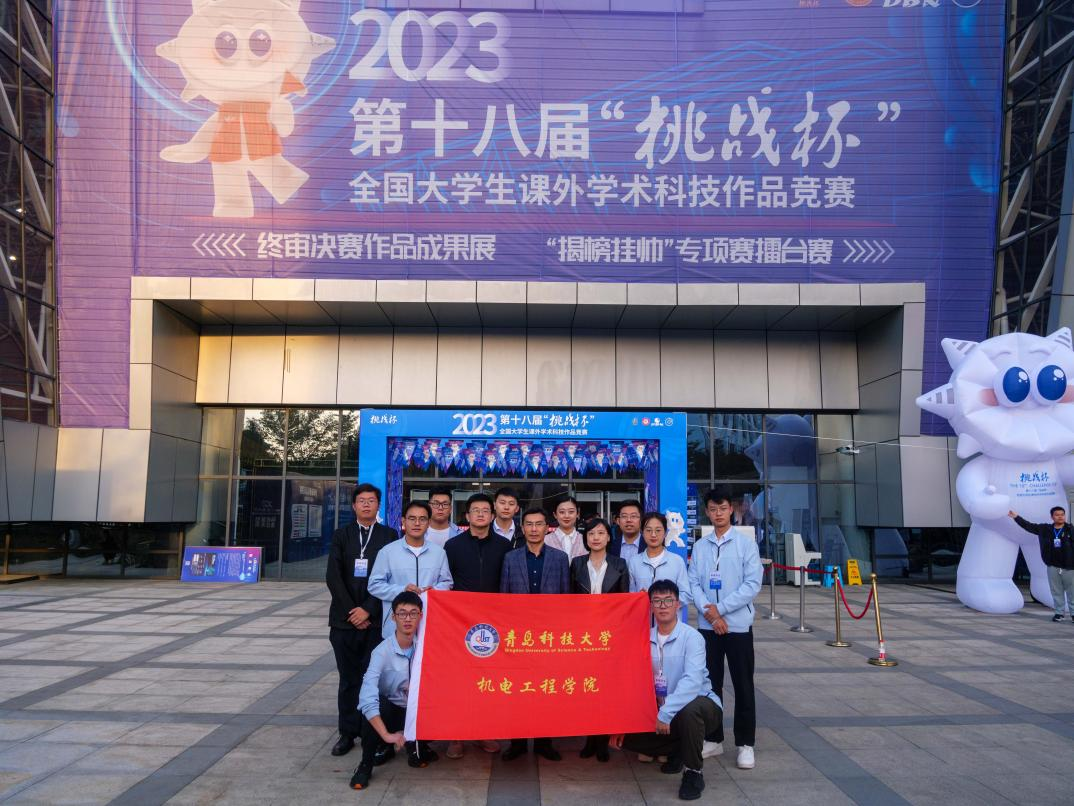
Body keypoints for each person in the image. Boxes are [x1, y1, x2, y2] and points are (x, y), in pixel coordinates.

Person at [611, 580, 722, 802]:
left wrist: (665, 713)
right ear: (651, 606)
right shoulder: (644, 638)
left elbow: (692, 681)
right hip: (663, 709)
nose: (663, 606)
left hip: (700, 705)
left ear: (678, 604)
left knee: (690, 712)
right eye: (657, 601)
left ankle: (693, 773)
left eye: (668, 600)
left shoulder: (692, 637)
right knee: (625, 738)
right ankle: (679, 749)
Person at [688, 487, 763, 770]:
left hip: (738, 626)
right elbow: (693, 583)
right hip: (708, 627)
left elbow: (752, 584)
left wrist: (721, 609)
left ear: (731, 509)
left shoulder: (746, 545)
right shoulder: (700, 546)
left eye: (722, 508)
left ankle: (745, 743)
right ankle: (713, 738)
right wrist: (711, 613)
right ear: (707, 512)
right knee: (710, 684)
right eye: (713, 509)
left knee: (743, 685)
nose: (718, 513)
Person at [325, 483, 398, 757]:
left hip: (376, 621)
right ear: (354, 505)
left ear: (379, 505)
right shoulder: (341, 535)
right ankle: (347, 732)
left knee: (376, 679)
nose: (366, 505)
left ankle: (375, 733)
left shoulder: (389, 536)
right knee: (348, 679)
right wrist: (352, 612)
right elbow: (333, 576)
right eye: (362, 501)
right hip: (343, 622)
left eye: (371, 500)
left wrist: (368, 610)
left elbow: (391, 577)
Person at [442, 493, 512, 758]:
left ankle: (484, 732)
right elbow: (446, 582)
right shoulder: (453, 546)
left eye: (485, 510)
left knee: (488, 681)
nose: (480, 514)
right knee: (459, 680)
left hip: (493, 624)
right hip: (460, 623)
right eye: (475, 510)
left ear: (493, 515)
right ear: (467, 515)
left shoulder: (504, 546)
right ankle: (456, 736)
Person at [499, 507, 570, 762]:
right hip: (519, 635)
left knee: (546, 690)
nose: (533, 529)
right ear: (522, 528)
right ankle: (517, 742)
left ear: (547, 528)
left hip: (548, 635)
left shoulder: (560, 558)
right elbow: (503, 597)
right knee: (518, 690)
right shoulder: (511, 558)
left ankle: (543, 742)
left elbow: (566, 598)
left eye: (538, 524)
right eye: (528, 524)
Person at [349, 591, 438, 790]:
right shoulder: (381, 652)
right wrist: (387, 735)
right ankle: (366, 764)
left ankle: (415, 744)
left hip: (416, 710)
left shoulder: (426, 646)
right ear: (393, 617)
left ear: (421, 616)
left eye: (413, 613)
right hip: (392, 710)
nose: (408, 619)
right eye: (402, 613)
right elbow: (367, 696)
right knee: (375, 706)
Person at [569, 516, 629, 763]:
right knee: (587, 687)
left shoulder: (620, 564)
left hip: (608, 635)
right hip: (583, 635)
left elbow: (624, 601)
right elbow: (569, 600)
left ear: (608, 537)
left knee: (606, 688)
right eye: (591, 533)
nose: (596, 537)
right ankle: (589, 739)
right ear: (586, 538)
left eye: (601, 533)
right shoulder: (577, 563)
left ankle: (602, 740)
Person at [368, 500, 453, 638]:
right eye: (412, 518)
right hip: (395, 625)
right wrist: (402, 590)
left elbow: (447, 583)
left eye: (422, 519)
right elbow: (374, 585)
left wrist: (434, 591)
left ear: (429, 522)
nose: (417, 523)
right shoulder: (387, 552)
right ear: (403, 521)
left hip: (430, 622)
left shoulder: (439, 553)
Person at [1010, 506, 1074, 622]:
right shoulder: (1045, 529)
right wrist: (1016, 517)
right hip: (1053, 566)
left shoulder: (1070, 529)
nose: (1060, 517)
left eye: (1062, 515)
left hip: (1069, 567)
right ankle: (1059, 613)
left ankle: (1073, 613)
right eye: (1057, 515)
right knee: (1056, 591)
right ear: (1052, 517)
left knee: (1072, 591)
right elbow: (1029, 526)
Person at [627, 512, 691, 606]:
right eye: (648, 530)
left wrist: (664, 600)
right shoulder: (634, 562)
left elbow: (686, 595)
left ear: (665, 533)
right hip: (643, 614)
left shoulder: (677, 561)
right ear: (642, 533)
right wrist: (639, 597)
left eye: (658, 530)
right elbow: (630, 594)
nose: (653, 535)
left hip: (669, 615)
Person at [545, 496, 587, 560]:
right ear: (555, 515)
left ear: (578, 514)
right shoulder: (545, 541)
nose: (566, 516)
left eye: (571, 512)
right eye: (562, 512)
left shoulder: (586, 540)